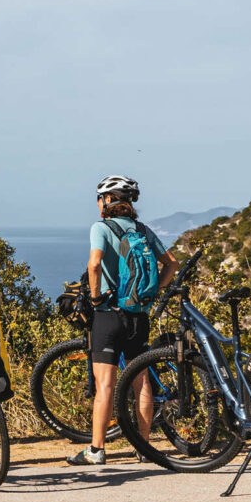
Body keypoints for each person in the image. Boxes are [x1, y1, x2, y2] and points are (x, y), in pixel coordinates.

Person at [69, 175, 178, 466]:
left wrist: (94, 299)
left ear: (106, 201)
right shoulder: (142, 230)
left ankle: (96, 450)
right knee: (141, 382)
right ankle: (144, 448)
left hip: (108, 316)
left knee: (105, 385)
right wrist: (153, 293)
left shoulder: (101, 228)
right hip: (138, 316)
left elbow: (94, 264)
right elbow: (172, 264)